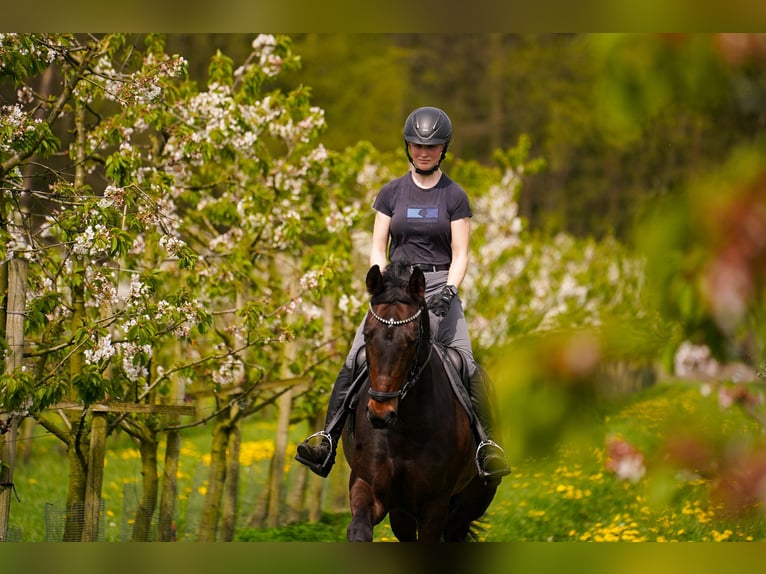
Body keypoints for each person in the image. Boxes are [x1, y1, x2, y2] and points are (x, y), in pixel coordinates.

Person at [295, 106, 510, 484]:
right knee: (356, 358)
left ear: (444, 149)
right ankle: (327, 439)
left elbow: (461, 253)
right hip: (396, 287)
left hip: (439, 287)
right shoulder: (391, 192)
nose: (424, 152)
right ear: (407, 147)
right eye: (417, 145)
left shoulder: (454, 196)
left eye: (432, 146)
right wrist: (381, 285)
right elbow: (379, 246)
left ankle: (487, 446)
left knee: (466, 365)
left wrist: (450, 290)